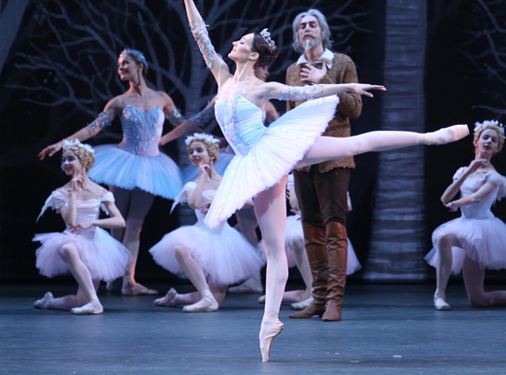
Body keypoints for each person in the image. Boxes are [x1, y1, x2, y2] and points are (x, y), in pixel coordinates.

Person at [162, 0, 468, 362]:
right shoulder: (222, 77)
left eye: (241, 41)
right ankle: (270, 321)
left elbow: (303, 93)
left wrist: (348, 85)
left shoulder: (262, 86)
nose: (232, 42)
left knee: (353, 144)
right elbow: (199, 34)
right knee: (272, 250)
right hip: (253, 164)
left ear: (252, 54)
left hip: (273, 149)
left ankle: (430, 136)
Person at [38, 49, 184, 296]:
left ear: (139, 65)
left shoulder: (162, 98)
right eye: (119, 65)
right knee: (118, 222)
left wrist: (164, 139)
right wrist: (63, 143)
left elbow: (183, 124)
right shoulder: (119, 102)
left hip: (151, 165)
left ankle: (129, 280)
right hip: (124, 162)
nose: (121, 68)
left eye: (124, 63)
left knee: (135, 223)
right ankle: (109, 273)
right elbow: (92, 129)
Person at [425, 121, 506, 310]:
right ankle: (439, 294)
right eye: (485, 137)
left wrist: (456, 203)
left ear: (497, 148)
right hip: (464, 224)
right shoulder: (463, 171)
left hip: (482, 230)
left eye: (493, 140)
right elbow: (445, 197)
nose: (488, 141)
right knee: (443, 237)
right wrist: (467, 173)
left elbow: (477, 197)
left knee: (478, 299)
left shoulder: (494, 176)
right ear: (476, 141)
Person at [285, 9, 361, 322]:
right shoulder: (292, 70)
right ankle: (316, 297)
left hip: (335, 158)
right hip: (304, 160)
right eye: (301, 26)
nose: (306, 29)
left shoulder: (341, 63)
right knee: (311, 230)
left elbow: (354, 109)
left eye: (312, 24)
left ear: (322, 31)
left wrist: (323, 80)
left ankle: (334, 301)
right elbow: (290, 117)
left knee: (334, 229)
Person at [150, 134, 264, 312]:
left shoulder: (227, 182)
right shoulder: (191, 185)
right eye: (191, 152)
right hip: (201, 234)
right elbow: (194, 203)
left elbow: (248, 202)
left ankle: (177, 298)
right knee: (179, 248)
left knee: (216, 301)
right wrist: (202, 176)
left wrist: (220, 203)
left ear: (211, 155)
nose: (194, 154)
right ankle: (205, 295)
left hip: (224, 238)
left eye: (199, 150)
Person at [33, 140, 130, 315]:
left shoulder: (101, 192)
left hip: (95, 244)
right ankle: (95, 302)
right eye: (63, 160)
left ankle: (51, 302)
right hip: (71, 239)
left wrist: (93, 222)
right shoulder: (61, 193)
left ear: (83, 162)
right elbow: (71, 222)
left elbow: (120, 221)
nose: (66, 164)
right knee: (68, 248)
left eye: (70, 159)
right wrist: (74, 193)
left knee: (79, 301)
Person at [258, 174, 361, 308]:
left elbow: (346, 205)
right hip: (303, 220)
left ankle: (313, 295)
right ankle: (311, 293)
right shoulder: (295, 177)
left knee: (299, 238)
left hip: (326, 220)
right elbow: (296, 204)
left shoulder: (331, 175)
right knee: (263, 299)